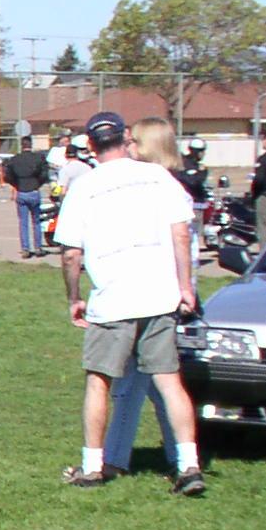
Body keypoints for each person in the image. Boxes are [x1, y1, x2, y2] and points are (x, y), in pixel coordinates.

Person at [53, 109, 204, 496]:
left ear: (90, 145)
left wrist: (74, 297)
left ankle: (92, 466)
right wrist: (185, 286)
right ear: (125, 138)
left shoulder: (85, 186)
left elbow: (71, 254)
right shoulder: (157, 177)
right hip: (159, 297)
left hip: (112, 299)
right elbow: (181, 235)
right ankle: (189, 465)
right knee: (170, 381)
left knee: (99, 382)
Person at [93, 117, 192, 478]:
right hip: (147, 295)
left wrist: (184, 289)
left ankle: (123, 460)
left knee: (148, 383)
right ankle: (175, 461)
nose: (126, 147)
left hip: (155, 298)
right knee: (148, 383)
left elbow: (183, 243)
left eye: (132, 141)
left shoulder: (164, 186)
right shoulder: (152, 185)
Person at [3, 141, 49, 257]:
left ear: (21, 146)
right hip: (34, 190)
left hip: (22, 191)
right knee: (36, 221)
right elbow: (44, 174)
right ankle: (38, 247)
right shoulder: (38, 158)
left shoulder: (15, 160)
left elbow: (8, 176)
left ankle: (25, 248)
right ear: (31, 145)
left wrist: (17, 184)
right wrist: (38, 183)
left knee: (23, 222)